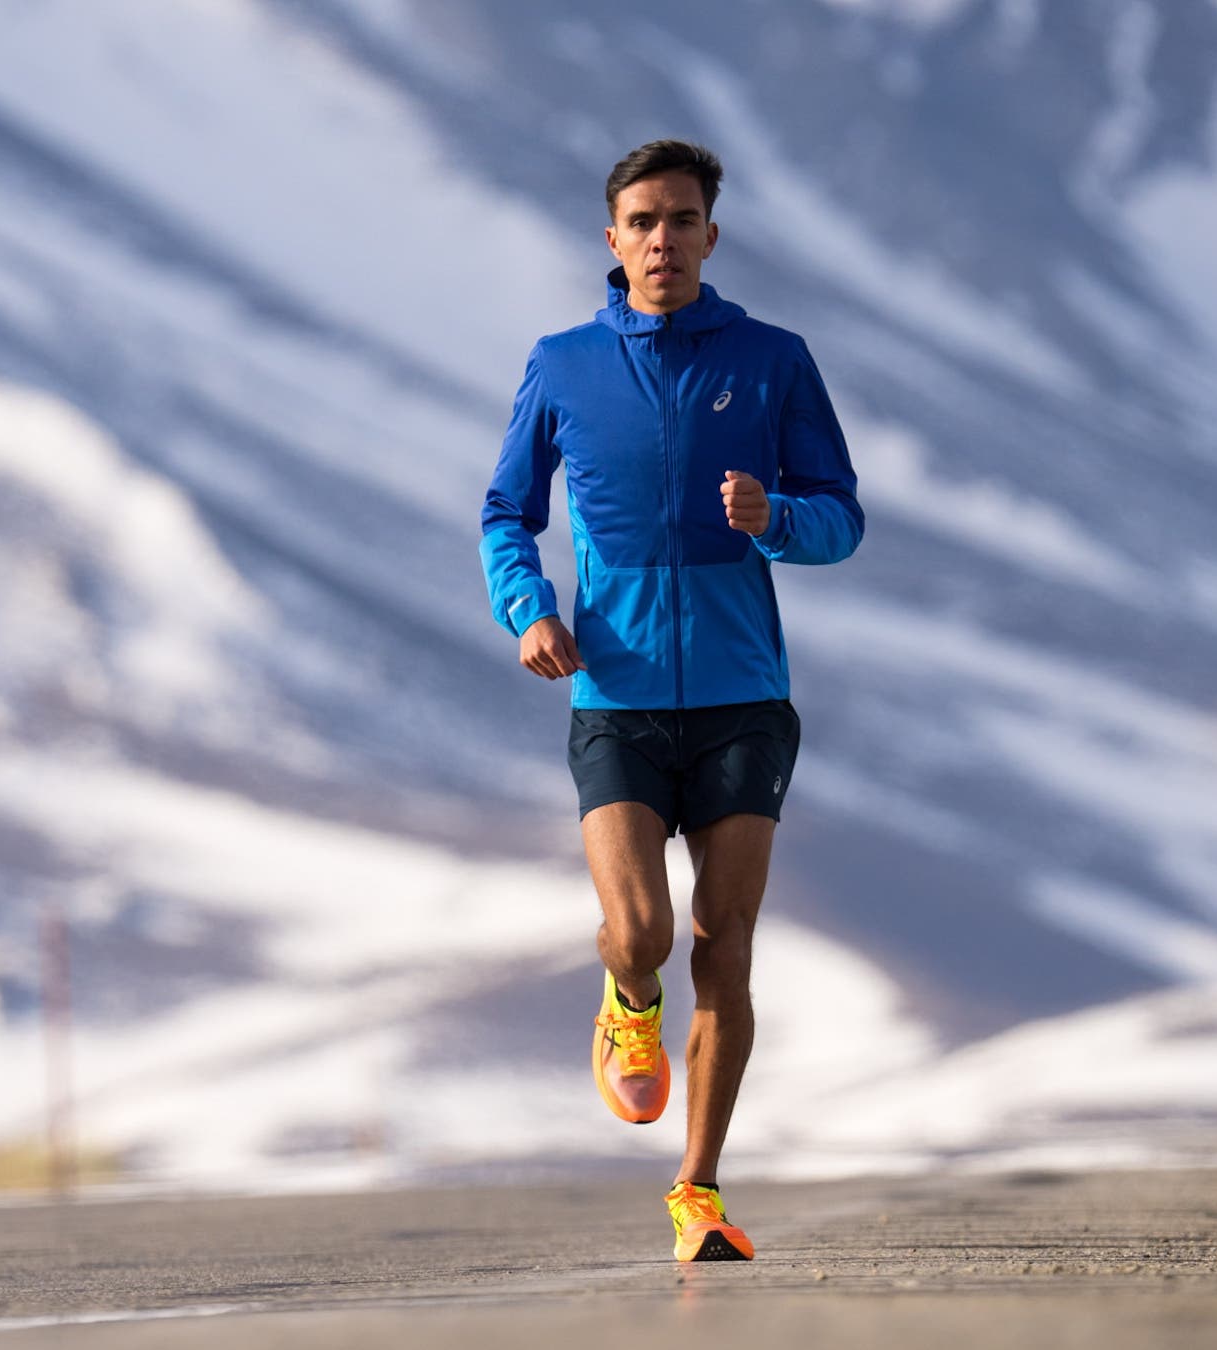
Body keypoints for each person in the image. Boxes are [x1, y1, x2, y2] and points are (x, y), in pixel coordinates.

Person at [478, 139, 864, 1263]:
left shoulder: (774, 359)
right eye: (642, 222)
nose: (662, 239)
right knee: (642, 929)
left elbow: (841, 513)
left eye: (682, 220)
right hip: (616, 692)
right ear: (613, 241)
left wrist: (778, 520)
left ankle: (697, 1194)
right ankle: (624, 996)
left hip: (745, 696)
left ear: (711, 234)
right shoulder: (561, 365)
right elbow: (508, 511)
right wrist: (527, 610)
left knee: (724, 944)